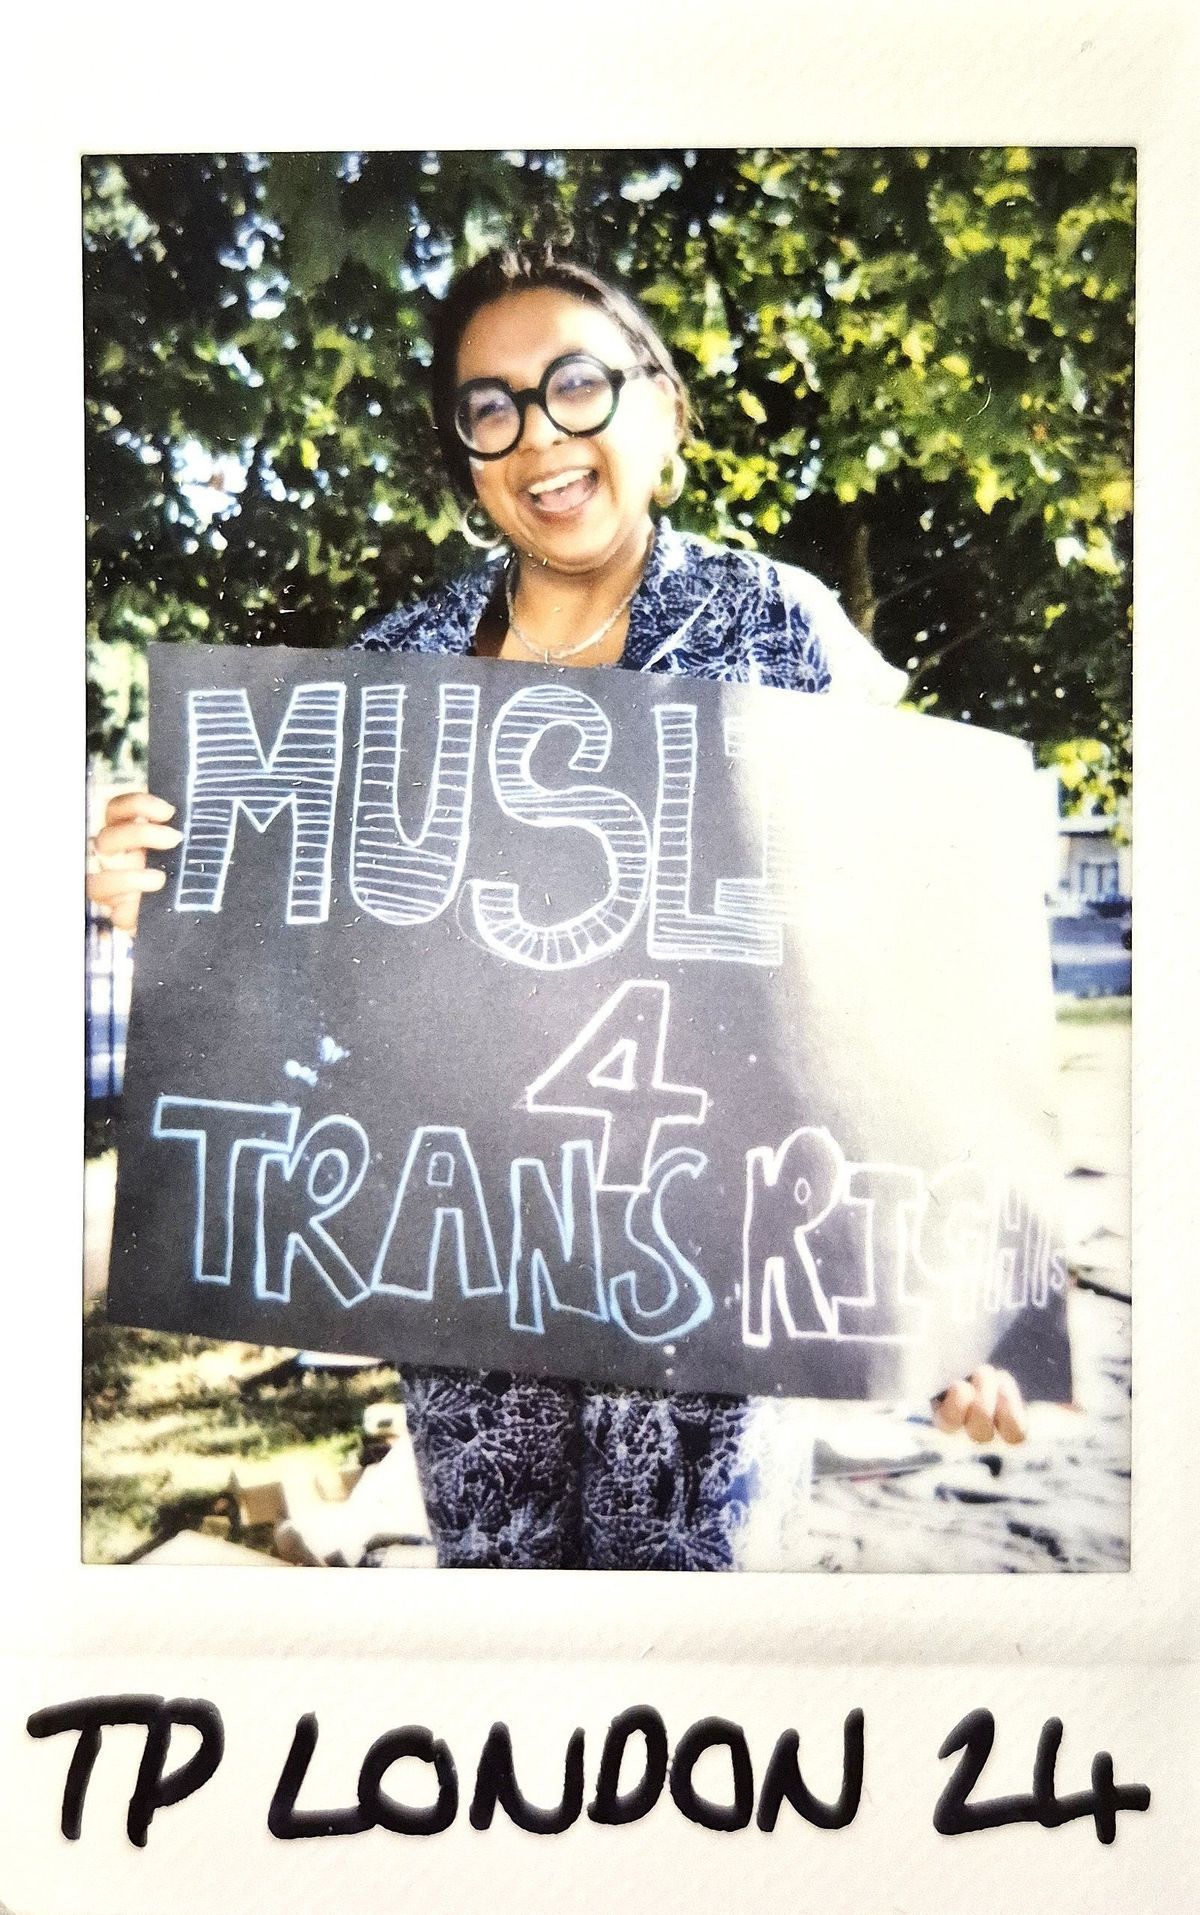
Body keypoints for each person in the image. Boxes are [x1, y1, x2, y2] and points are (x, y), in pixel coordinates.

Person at [88, 243, 1029, 1571]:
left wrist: (956, 1305)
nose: (540, 436)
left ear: (654, 404)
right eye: (492, 407)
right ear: (465, 452)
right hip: (476, 1318)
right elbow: (313, 986)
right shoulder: (387, 672)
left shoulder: (777, 632)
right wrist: (166, 909)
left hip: (713, 1322)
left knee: (697, 1712)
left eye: (576, 385)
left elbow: (900, 965)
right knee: (513, 1685)